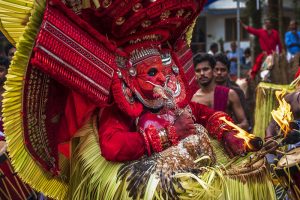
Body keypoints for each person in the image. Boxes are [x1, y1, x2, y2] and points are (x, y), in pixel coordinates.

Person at [0, 1, 275, 199]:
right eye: (152, 73)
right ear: (129, 75)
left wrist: (228, 132)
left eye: (164, 71)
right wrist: (169, 135)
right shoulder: (119, 111)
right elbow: (111, 146)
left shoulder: (174, 102)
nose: (162, 79)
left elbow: (205, 114)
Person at [192, 54, 249, 130]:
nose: (202, 73)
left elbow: (245, 123)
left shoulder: (229, 94)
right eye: (198, 70)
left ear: (213, 70)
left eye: (205, 69)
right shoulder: (194, 99)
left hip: (227, 140)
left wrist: (230, 129)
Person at [213, 53, 251, 130]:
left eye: (223, 70)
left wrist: (230, 128)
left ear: (228, 71)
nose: (219, 73)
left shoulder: (236, 91)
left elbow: (246, 120)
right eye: (216, 69)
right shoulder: (206, 91)